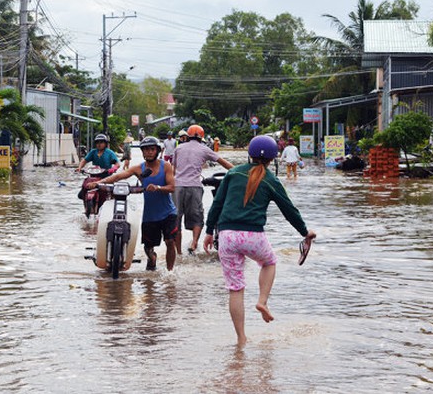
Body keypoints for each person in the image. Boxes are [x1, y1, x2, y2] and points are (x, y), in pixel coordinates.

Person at [203, 135, 316, 347]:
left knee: (236, 288)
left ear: (249, 154)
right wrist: (304, 232)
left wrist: (209, 231)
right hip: (253, 235)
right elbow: (289, 210)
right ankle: (262, 301)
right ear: (272, 159)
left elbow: (217, 204)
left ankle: (241, 338)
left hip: (226, 235)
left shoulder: (233, 173)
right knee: (269, 262)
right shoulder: (271, 180)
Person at [87, 137, 178, 271]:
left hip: (168, 212)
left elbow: (172, 187)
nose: (149, 152)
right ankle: (152, 258)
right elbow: (118, 176)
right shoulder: (138, 169)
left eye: (152, 149)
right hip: (150, 215)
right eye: (146, 150)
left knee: (170, 241)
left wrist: (158, 187)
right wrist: (99, 183)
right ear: (142, 152)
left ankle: (170, 274)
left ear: (157, 151)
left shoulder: (166, 166)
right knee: (148, 247)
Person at [172, 124, 234, 255]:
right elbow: (223, 162)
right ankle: (194, 243)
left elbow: (173, 170)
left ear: (187, 136)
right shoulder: (204, 149)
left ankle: (178, 253)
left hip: (177, 187)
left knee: (176, 220)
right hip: (194, 186)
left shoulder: (179, 148)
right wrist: (241, 172)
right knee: (197, 218)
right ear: (202, 137)